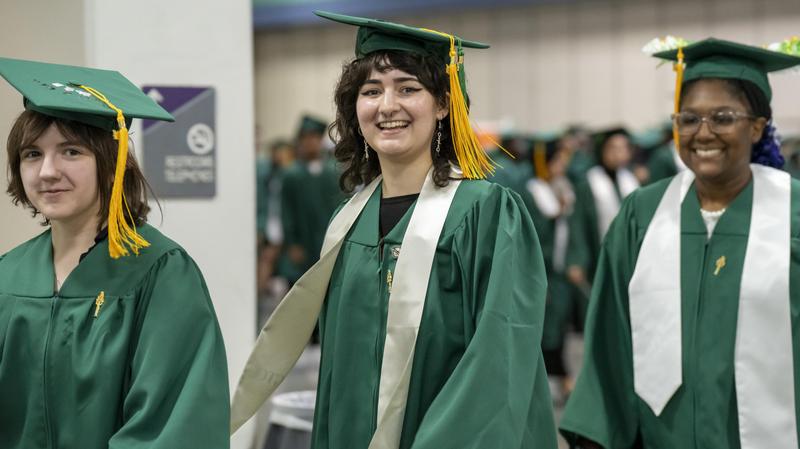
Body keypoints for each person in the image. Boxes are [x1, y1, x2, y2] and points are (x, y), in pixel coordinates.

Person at [231, 11, 557, 449]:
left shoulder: (486, 213)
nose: (387, 106)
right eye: (371, 91)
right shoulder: (347, 224)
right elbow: (337, 376)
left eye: (408, 88)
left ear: (443, 104)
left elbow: (500, 358)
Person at [560, 37, 800, 448]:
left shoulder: (792, 213)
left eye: (723, 117)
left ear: (757, 127)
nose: (703, 133)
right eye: (688, 119)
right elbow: (610, 346)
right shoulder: (643, 214)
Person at [0, 58, 229, 449]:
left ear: (111, 164)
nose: (47, 171)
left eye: (71, 152)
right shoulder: (9, 275)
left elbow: (172, 425)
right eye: (32, 154)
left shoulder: (159, 272)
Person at [564, 127, 639, 325]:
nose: (618, 154)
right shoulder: (588, 183)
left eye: (623, 148)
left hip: (629, 258)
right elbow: (578, 223)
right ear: (602, 151)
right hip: (599, 257)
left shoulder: (631, 181)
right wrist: (577, 260)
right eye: (613, 148)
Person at [525, 136, 577, 402]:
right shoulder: (531, 191)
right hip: (540, 270)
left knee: (558, 326)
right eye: (557, 160)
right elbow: (532, 236)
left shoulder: (562, 187)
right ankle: (553, 382)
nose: (561, 166)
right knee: (545, 328)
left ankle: (560, 380)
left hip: (559, 270)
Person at [280, 114, 343, 284]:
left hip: (329, 238)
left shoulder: (333, 171)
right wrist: (292, 243)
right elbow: (286, 211)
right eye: (306, 138)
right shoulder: (291, 174)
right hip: (304, 242)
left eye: (314, 137)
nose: (310, 142)